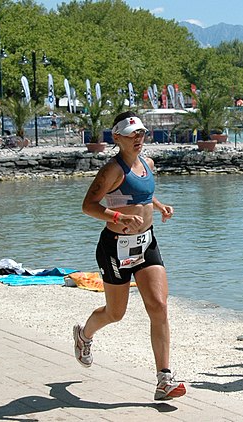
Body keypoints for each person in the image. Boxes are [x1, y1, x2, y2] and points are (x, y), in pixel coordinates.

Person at [73, 111, 186, 401]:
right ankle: (84, 335)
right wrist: (116, 216)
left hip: (146, 243)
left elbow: (142, 194)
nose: (139, 138)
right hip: (115, 247)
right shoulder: (112, 170)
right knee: (116, 313)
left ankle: (164, 379)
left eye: (142, 133)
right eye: (132, 133)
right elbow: (88, 205)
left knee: (159, 305)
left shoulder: (147, 163)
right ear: (117, 137)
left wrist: (159, 206)